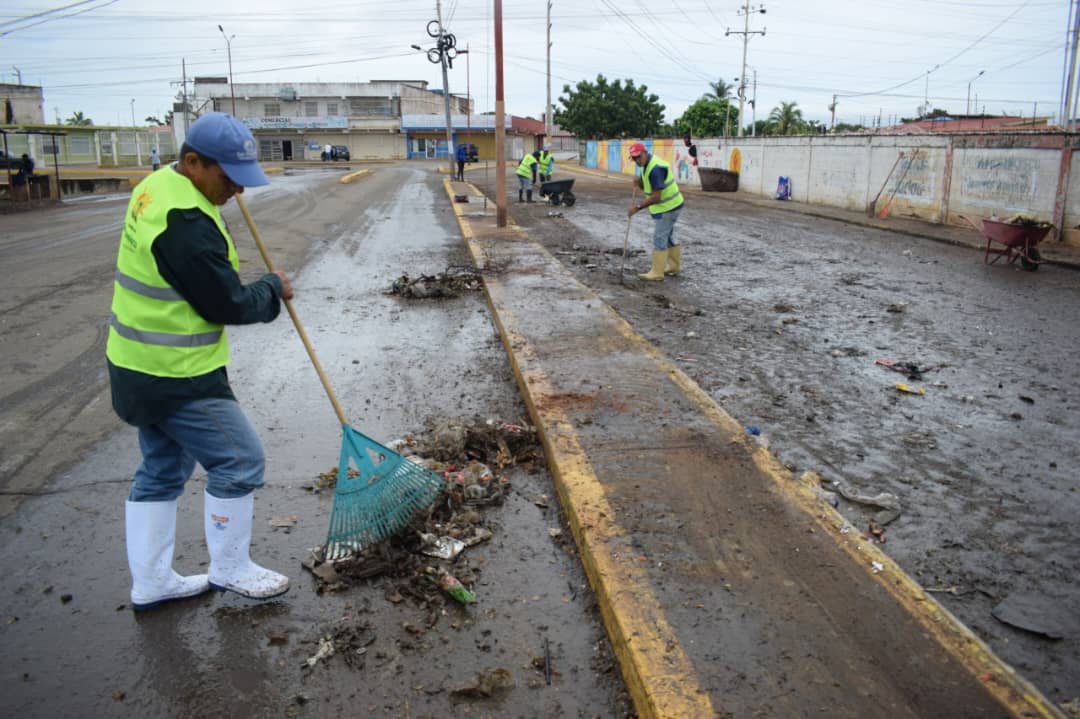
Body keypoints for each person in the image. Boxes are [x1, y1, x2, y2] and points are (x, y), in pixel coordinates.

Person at [107, 111, 293, 610]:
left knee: (163, 468)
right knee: (239, 460)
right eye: (229, 178)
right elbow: (226, 303)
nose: (238, 190)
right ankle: (230, 568)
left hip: (134, 363)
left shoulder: (158, 186)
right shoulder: (184, 222)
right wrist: (271, 289)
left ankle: (152, 583)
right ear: (193, 161)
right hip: (175, 375)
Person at [626, 142, 685, 281]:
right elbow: (648, 186)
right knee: (667, 236)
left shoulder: (655, 169)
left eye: (638, 157)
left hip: (668, 207)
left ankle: (657, 273)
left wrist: (637, 208)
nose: (637, 161)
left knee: (659, 238)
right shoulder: (646, 165)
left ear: (645, 153)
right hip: (671, 205)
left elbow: (656, 197)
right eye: (634, 159)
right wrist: (639, 182)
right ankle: (674, 266)